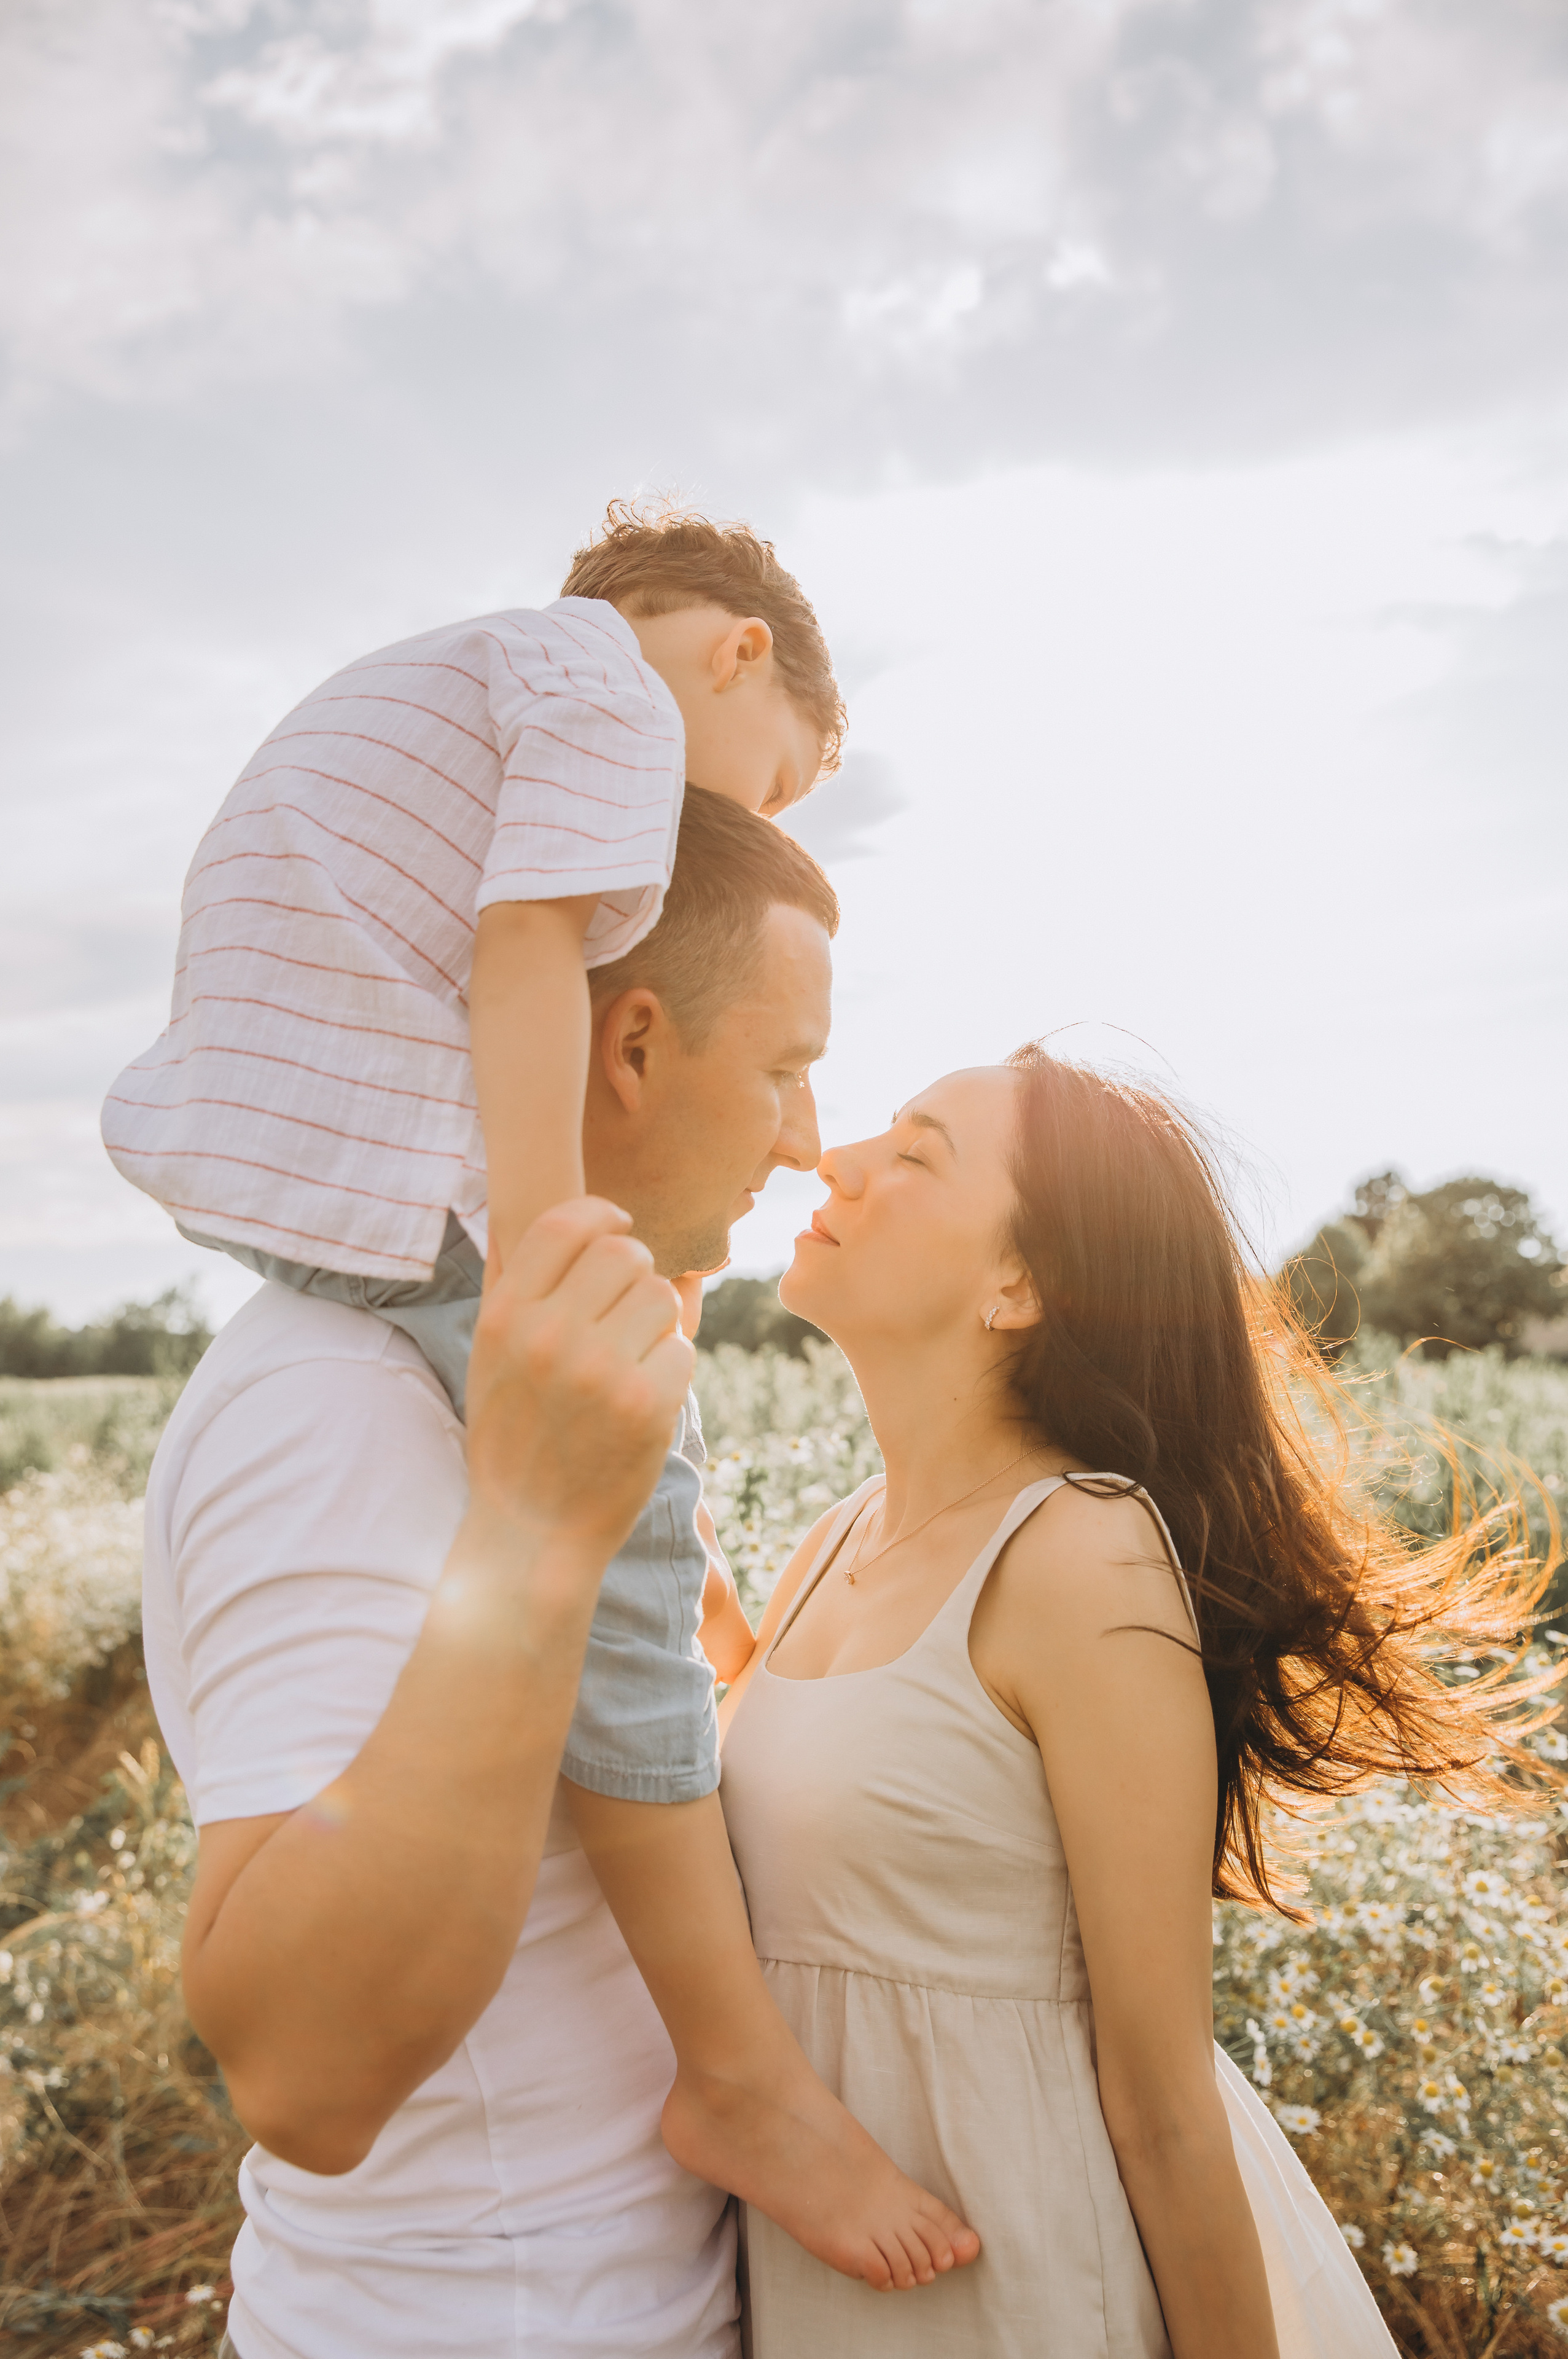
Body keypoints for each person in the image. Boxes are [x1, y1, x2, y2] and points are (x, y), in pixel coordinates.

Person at [137, 794, 974, 2359]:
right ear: (634, 1049)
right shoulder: (340, 1403)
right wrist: (531, 1536)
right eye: (786, 1071)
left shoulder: (561, 1376)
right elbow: (305, 2081)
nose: (805, 1140)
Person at [720, 1046, 1553, 2358]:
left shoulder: (1078, 1554)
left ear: (1020, 1285)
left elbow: (1165, 2105)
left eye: (917, 1152)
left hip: (1014, 2269)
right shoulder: (832, 1538)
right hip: (828, 2261)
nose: (835, 1159)